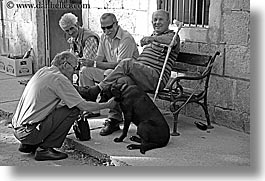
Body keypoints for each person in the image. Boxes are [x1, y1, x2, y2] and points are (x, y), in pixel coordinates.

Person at [85, 9, 180, 135]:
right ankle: (114, 119)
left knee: (126, 62)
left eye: (161, 19)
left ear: (168, 21)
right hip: (142, 75)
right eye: (154, 20)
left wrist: (152, 39)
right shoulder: (153, 37)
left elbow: (171, 41)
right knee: (119, 83)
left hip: (155, 78)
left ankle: (98, 89)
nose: (157, 22)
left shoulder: (173, 36)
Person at [11, 51, 116, 161]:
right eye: (74, 68)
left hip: (18, 128)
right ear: (65, 65)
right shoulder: (59, 79)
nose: (75, 72)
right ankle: (45, 149)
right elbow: (84, 106)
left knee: (62, 107)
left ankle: (29, 145)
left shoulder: (43, 71)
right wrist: (107, 105)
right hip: (28, 133)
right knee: (74, 109)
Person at [79, 13, 139, 136]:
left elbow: (120, 66)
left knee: (110, 73)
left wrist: (95, 63)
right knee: (85, 71)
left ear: (116, 24)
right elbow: (99, 58)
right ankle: (93, 107)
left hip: (127, 76)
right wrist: (88, 62)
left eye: (109, 27)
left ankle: (114, 118)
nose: (106, 31)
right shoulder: (104, 37)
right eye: (103, 28)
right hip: (111, 73)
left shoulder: (126, 38)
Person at [59, 12, 101, 118]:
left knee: (84, 71)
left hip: (100, 68)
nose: (70, 32)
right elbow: (72, 57)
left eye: (72, 28)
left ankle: (92, 108)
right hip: (87, 66)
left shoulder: (89, 37)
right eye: (67, 30)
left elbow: (88, 61)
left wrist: (73, 67)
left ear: (77, 24)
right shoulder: (74, 39)